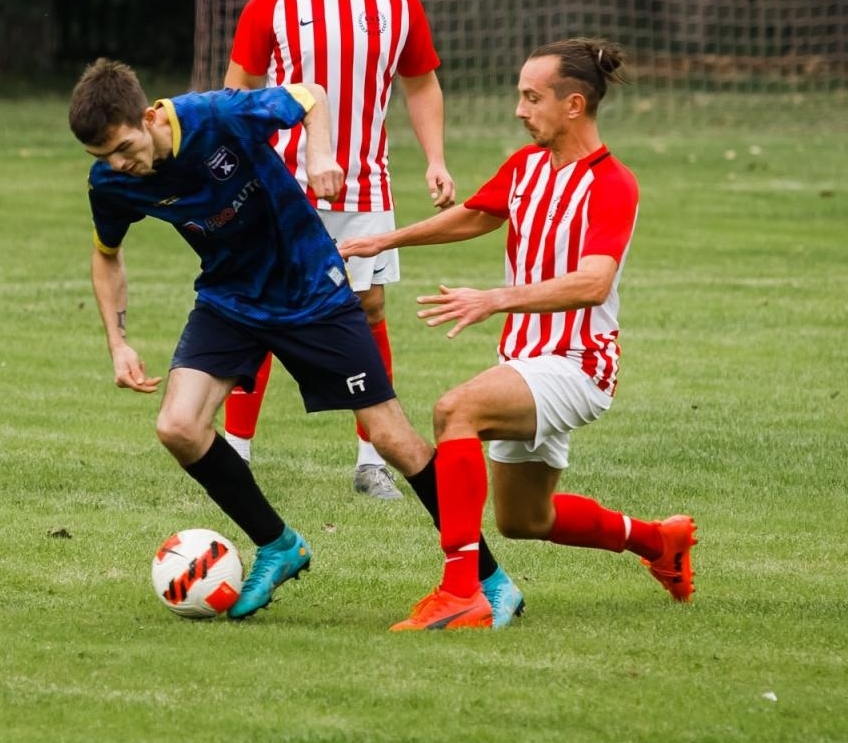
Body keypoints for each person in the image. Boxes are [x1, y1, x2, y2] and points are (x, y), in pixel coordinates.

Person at [71, 58, 520, 623]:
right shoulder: (112, 182)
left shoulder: (216, 115)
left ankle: (490, 578)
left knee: (393, 439)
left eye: (122, 147)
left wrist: (321, 152)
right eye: (102, 158)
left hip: (311, 289)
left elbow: (308, 95)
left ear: (146, 116)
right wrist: (118, 342)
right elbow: (106, 256)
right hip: (230, 300)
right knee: (178, 427)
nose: (117, 165)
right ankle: (279, 544)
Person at [338, 38, 696, 630]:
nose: (519, 110)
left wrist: (495, 299)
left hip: (578, 363)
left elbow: (592, 284)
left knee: (456, 411)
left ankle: (462, 593)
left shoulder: (612, 184)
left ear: (574, 105)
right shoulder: (527, 165)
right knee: (524, 519)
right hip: (526, 361)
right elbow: (479, 213)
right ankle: (659, 542)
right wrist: (389, 239)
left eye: (532, 98)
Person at [220, 0, 454, 502]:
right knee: (259, 310)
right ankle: (236, 453)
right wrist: (240, 167)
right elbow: (237, 89)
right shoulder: (273, 3)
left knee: (368, 311)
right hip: (280, 186)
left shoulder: (401, 5)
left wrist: (435, 159)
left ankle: (371, 461)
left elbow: (422, 85)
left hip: (366, 186)